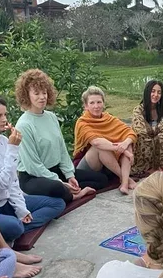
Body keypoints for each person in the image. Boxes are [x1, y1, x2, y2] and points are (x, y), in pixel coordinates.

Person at [0, 94, 66, 244]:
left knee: (57, 203)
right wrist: (13, 148)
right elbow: (1, 182)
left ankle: (13, 229)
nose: (4, 119)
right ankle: (7, 231)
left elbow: (12, 182)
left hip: (6, 200)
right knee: (14, 227)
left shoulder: (4, 141)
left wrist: (21, 209)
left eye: (5, 115)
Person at [14, 69, 107, 202]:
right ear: (26, 95)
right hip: (34, 176)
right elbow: (33, 166)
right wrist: (58, 181)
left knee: (101, 179)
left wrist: (69, 175)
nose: (42, 97)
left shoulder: (51, 117)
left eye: (44, 92)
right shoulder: (24, 125)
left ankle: (69, 191)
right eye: (36, 93)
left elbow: (62, 149)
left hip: (56, 170)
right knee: (56, 187)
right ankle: (74, 194)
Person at [73, 86, 138, 194]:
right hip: (89, 166)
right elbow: (96, 142)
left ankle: (124, 184)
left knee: (127, 143)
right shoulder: (82, 122)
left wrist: (125, 143)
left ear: (103, 103)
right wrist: (123, 151)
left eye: (99, 102)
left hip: (108, 164)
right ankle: (126, 179)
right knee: (100, 148)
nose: (96, 106)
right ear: (86, 106)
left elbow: (130, 132)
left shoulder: (108, 118)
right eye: (92, 103)